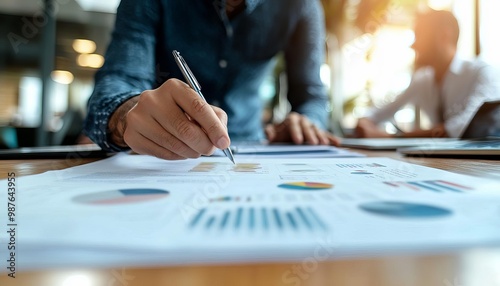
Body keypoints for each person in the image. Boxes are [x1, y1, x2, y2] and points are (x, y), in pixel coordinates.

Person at [83, 0, 338, 160]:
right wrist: (127, 114)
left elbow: (311, 95)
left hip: (254, 149)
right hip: (157, 154)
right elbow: (117, 83)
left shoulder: (301, 5)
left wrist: (306, 123)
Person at [355, 9, 500, 138]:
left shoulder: (482, 73)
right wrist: (365, 121)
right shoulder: (423, 79)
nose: (413, 45)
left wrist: (389, 136)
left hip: (481, 163)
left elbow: (461, 127)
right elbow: (385, 109)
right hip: (440, 160)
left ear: (444, 36)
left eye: (419, 36)